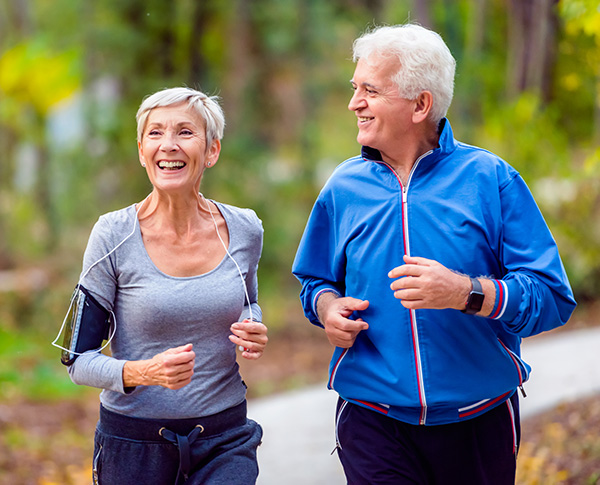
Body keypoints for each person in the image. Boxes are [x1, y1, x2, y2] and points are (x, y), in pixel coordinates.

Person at [292, 24, 576, 484]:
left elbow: (551, 298)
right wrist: (327, 309)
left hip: (479, 420)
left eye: (370, 90)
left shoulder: (491, 179)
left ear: (420, 104)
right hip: (371, 417)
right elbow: (315, 281)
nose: (354, 103)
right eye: (354, 88)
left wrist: (465, 292)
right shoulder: (343, 188)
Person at [61, 87, 268, 484]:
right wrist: (145, 372)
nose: (168, 145)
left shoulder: (244, 229)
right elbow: (77, 359)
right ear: (142, 151)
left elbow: (248, 302)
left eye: (185, 132)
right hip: (134, 446)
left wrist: (252, 325)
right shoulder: (113, 235)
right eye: (155, 133)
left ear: (211, 151)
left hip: (225, 439)